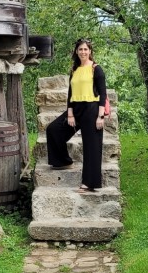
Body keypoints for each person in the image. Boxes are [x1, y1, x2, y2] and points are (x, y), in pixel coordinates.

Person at [45, 38, 108, 192]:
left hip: (92, 109)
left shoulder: (96, 69)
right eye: (80, 49)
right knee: (53, 130)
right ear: (76, 51)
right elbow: (70, 93)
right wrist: (70, 113)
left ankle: (89, 183)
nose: (83, 52)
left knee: (91, 147)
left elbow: (103, 94)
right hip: (76, 109)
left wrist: (100, 117)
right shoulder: (74, 69)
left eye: (86, 49)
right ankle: (63, 161)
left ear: (90, 51)